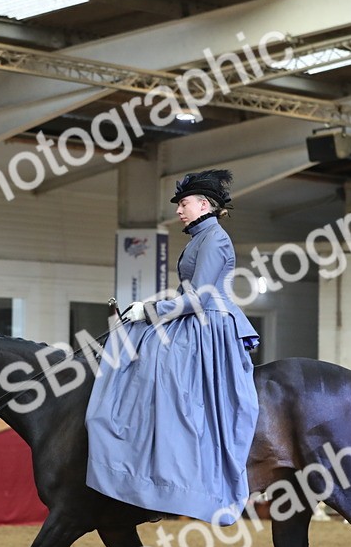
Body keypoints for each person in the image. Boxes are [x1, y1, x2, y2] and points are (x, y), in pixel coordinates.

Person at [84, 169, 259, 525]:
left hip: (209, 323)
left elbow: (199, 297)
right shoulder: (198, 237)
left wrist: (148, 310)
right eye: (179, 204)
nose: (179, 210)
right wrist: (144, 311)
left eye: (184, 204)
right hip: (191, 315)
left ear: (204, 204)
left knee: (159, 365)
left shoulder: (215, 239)